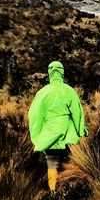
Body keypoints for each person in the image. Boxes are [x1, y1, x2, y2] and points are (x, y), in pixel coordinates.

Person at [27, 61, 87, 192]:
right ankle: (67, 193)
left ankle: (53, 192)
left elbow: (35, 115)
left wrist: (37, 136)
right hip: (68, 137)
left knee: (52, 165)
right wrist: (81, 130)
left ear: (49, 73)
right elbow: (77, 114)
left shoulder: (42, 93)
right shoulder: (69, 91)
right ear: (62, 72)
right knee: (69, 166)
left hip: (49, 137)